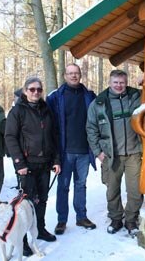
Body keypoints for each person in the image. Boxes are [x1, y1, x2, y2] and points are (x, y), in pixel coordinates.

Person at [5, 77, 61, 256]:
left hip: (45, 164)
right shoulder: (17, 111)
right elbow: (10, 137)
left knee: (42, 200)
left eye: (39, 89)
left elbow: (54, 136)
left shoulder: (46, 109)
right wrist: (19, 163)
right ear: (25, 91)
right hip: (26, 165)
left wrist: (56, 160)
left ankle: (40, 229)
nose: (36, 92)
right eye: (32, 89)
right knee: (25, 204)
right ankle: (22, 239)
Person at [86, 69, 143, 236]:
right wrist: (98, 152)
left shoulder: (136, 97)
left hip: (134, 153)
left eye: (122, 83)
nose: (119, 86)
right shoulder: (99, 104)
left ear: (126, 83)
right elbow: (91, 129)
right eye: (116, 82)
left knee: (135, 190)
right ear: (110, 83)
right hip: (111, 155)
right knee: (112, 190)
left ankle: (131, 220)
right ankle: (116, 218)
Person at [46, 63, 97, 235]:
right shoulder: (55, 97)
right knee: (63, 186)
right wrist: (54, 156)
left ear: (80, 75)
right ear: (64, 75)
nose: (74, 76)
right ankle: (62, 220)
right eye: (70, 73)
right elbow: (49, 128)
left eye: (76, 73)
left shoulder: (89, 96)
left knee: (81, 185)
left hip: (84, 150)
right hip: (65, 152)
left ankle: (81, 217)